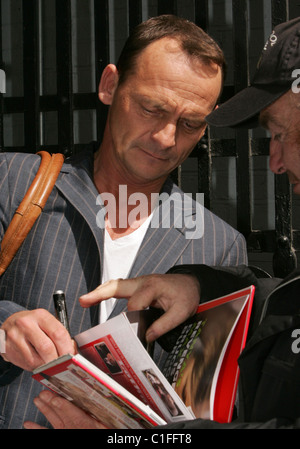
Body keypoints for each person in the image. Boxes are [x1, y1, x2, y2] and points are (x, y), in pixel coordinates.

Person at [24, 17, 300, 430]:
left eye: (191, 124)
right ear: (109, 86)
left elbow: (201, 398)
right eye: (152, 108)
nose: (166, 138)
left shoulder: (220, 244)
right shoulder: (15, 186)